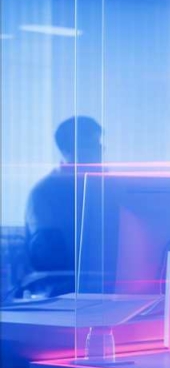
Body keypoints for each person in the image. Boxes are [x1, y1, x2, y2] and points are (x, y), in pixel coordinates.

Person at [25, 116, 103, 273]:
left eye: (99, 145)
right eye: (90, 145)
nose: (99, 151)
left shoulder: (106, 186)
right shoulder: (44, 192)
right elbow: (49, 257)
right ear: (67, 150)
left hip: (101, 277)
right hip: (64, 281)